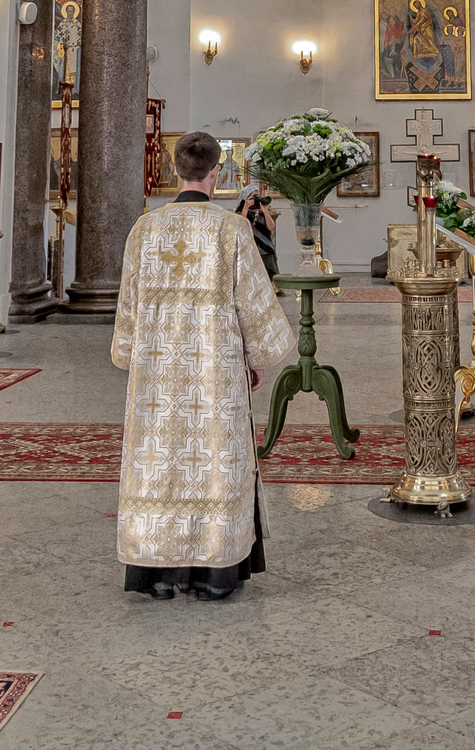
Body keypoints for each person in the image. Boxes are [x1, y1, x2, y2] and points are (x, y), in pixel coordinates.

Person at [112, 131, 294, 602]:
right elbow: (253, 306)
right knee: (212, 462)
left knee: (160, 463)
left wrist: (131, 355)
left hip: (156, 376)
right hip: (215, 373)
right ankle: (214, 578)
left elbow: (128, 308)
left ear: (175, 169)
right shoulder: (229, 230)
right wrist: (254, 360)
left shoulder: (144, 229)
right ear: (217, 171)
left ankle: (159, 576)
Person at [236, 181, 280, 281]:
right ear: (245, 198)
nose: (254, 200)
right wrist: (246, 206)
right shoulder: (240, 212)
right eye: (252, 197)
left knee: (270, 274)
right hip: (251, 248)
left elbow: (271, 227)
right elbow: (242, 226)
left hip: (266, 247)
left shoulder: (261, 211)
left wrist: (265, 211)